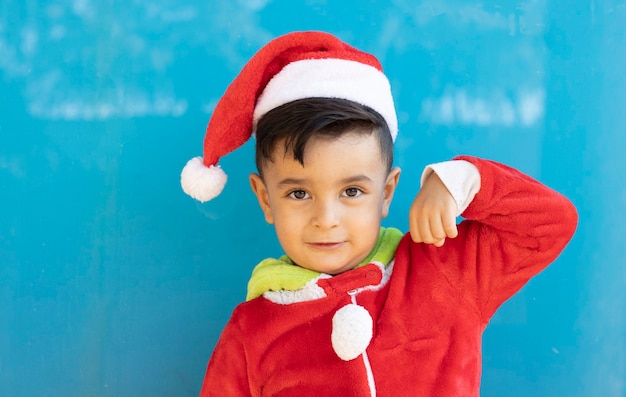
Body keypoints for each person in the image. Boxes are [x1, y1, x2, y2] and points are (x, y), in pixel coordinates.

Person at [180, 31, 578, 397]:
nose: (326, 218)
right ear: (266, 200)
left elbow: (550, 224)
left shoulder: (443, 270)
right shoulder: (251, 330)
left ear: (387, 193)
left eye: (352, 191)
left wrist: (466, 181)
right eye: (299, 193)